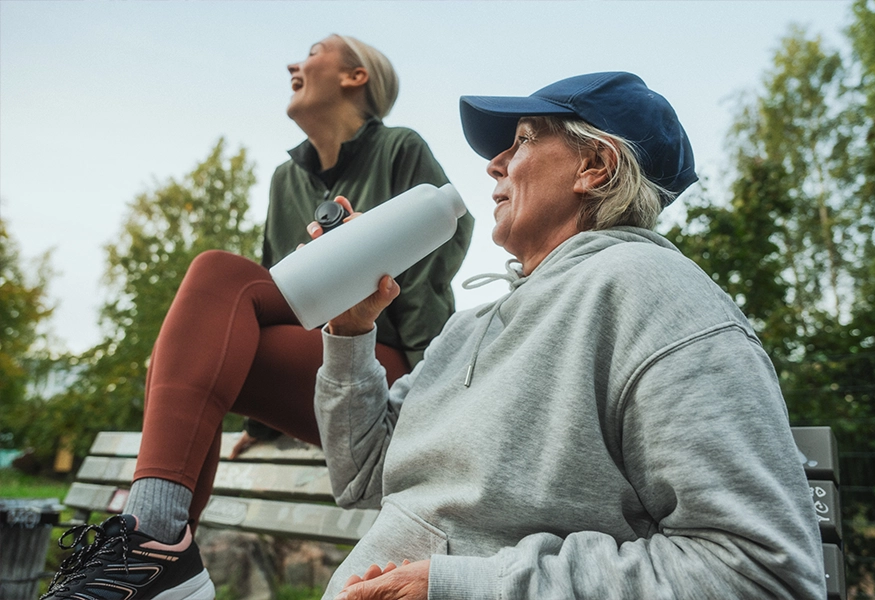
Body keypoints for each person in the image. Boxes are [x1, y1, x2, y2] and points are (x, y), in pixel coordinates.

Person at [313, 72, 827, 599]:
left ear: (595, 166)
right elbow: (363, 476)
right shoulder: (470, 326)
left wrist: (461, 587)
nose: (494, 163)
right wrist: (351, 329)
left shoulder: (654, 292)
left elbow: (760, 574)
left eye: (522, 141)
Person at [42, 35, 473, 600]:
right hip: (321, 369)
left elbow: (437, 261)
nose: (295, 63)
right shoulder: (285, 180)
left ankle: (152, 547)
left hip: (388, 373)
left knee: (216, 279)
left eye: (315, 51)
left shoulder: (400, 149)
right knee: (213, 301)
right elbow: (272, 303)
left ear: (355, 76)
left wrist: (432, 385)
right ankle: (156, 556)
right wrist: (259, 425)